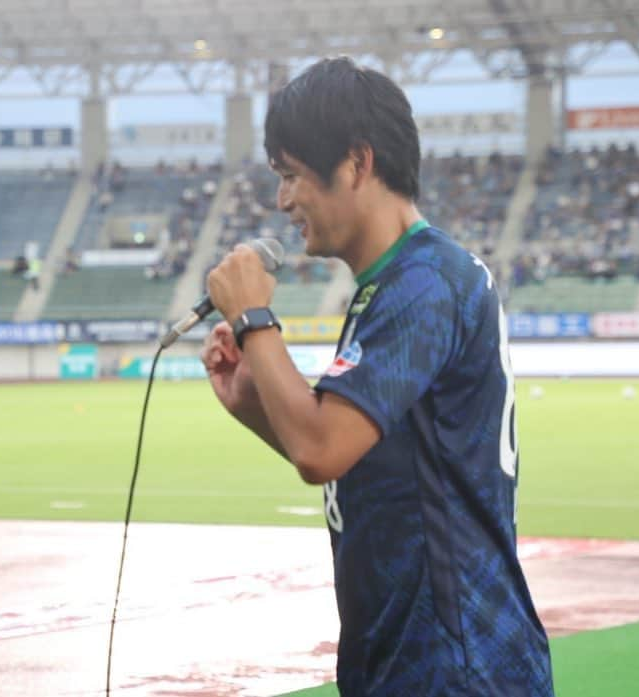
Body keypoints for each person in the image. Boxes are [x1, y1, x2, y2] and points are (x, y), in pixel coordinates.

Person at [201, 57, 554, 696]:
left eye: (292, 176)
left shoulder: (422, 282)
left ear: (357, 163)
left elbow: (320, 449)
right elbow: (360, 460)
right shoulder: (400, 282)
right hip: (413, 657)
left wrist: (256, 319)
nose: (283, 201)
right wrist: (253, 403)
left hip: (453, 665)